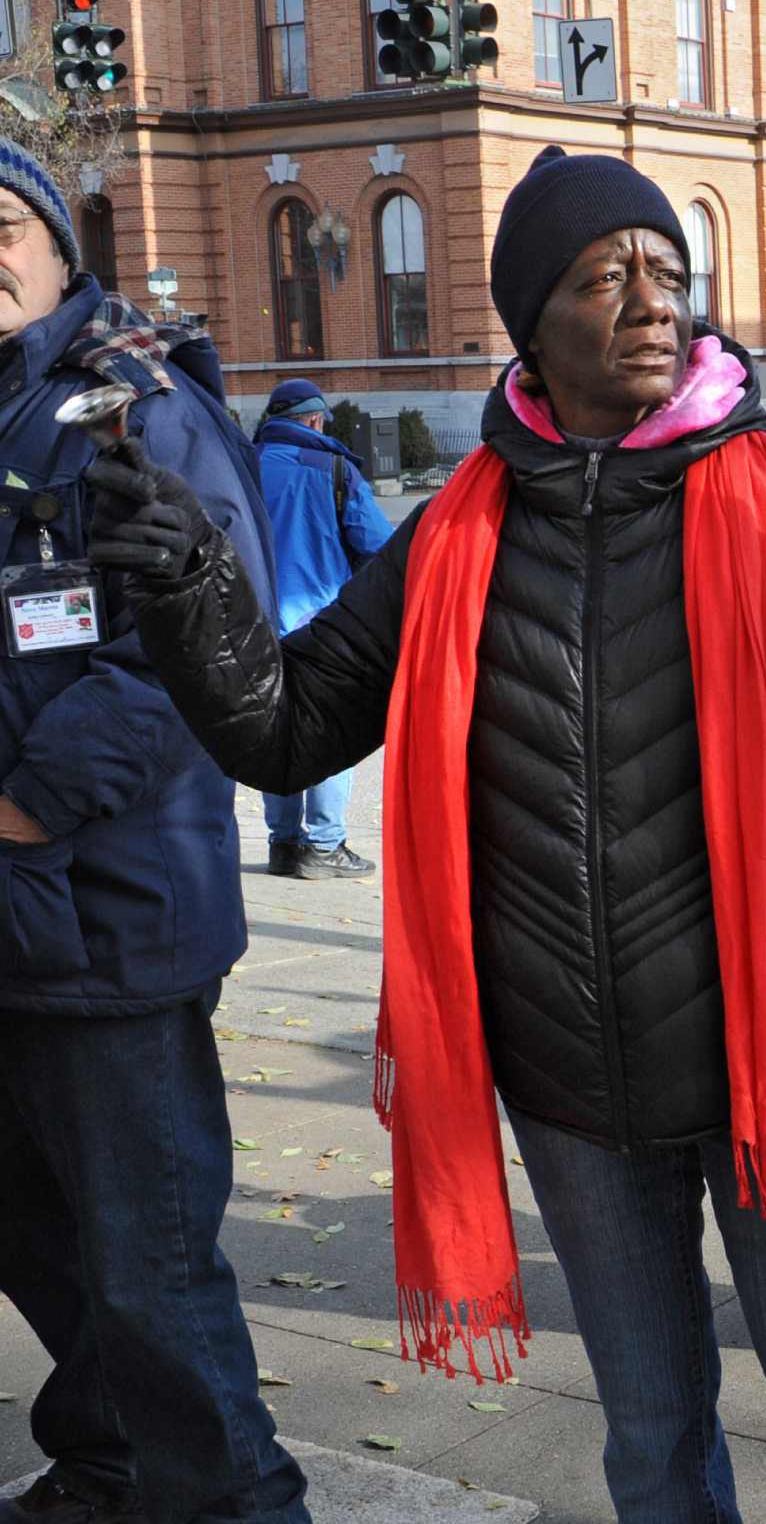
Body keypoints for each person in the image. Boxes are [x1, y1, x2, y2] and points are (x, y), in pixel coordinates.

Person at [84, 146, 766, 1524]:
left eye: (668, 272)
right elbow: (286, 732)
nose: (654, 299)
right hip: (572, 1080)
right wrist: (192, 590)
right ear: (535, 320)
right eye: (608, 275)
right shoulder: (454, 534)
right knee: (650, 1438)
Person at [0, 140, 309, 1524]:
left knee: (153, 1263)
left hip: (107, 911)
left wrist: (29, 801)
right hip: (11, 927)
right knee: (36, 1238)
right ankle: (113, 1463)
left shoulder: (137, 405)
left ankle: (237, 1503)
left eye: (5, 222)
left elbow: (200, 645)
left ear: (64, 250)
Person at [251, 377, 390, 879]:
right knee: (329, 728)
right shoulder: (334, 469)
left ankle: (283, 843)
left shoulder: (242, 466)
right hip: (323, 621)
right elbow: (379, 547)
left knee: (272, 733)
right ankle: (325, 844)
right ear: (314, 421)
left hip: (254, 625)